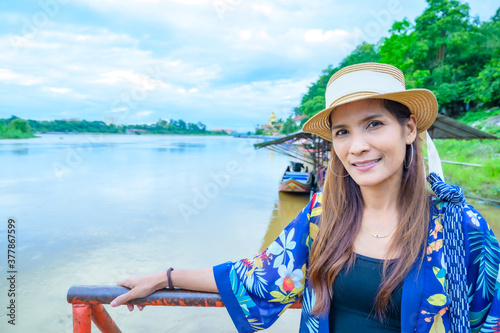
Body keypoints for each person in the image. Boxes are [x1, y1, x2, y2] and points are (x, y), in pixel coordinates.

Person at [110, 63, 500, 332]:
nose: (357, 146)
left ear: (409, 129)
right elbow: (257, 277)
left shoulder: (459, 228)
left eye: (374, 124)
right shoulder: (322, 217)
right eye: (343, 132)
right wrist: (167, 277)